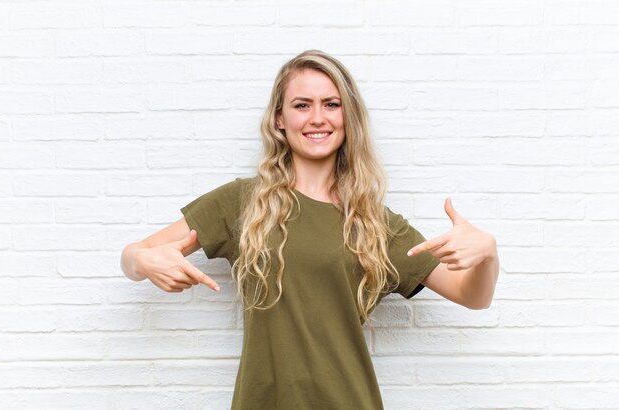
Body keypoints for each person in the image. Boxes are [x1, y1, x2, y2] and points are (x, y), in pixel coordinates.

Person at [120, 49, 499, 410]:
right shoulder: (242, 201)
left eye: (331, 105)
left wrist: (487, 253)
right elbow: (136, 255)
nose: (318, 118)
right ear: (280, 119)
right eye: (302, 105)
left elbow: (471, 296)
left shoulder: (374, 222)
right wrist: (143, 260)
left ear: (348, 117)